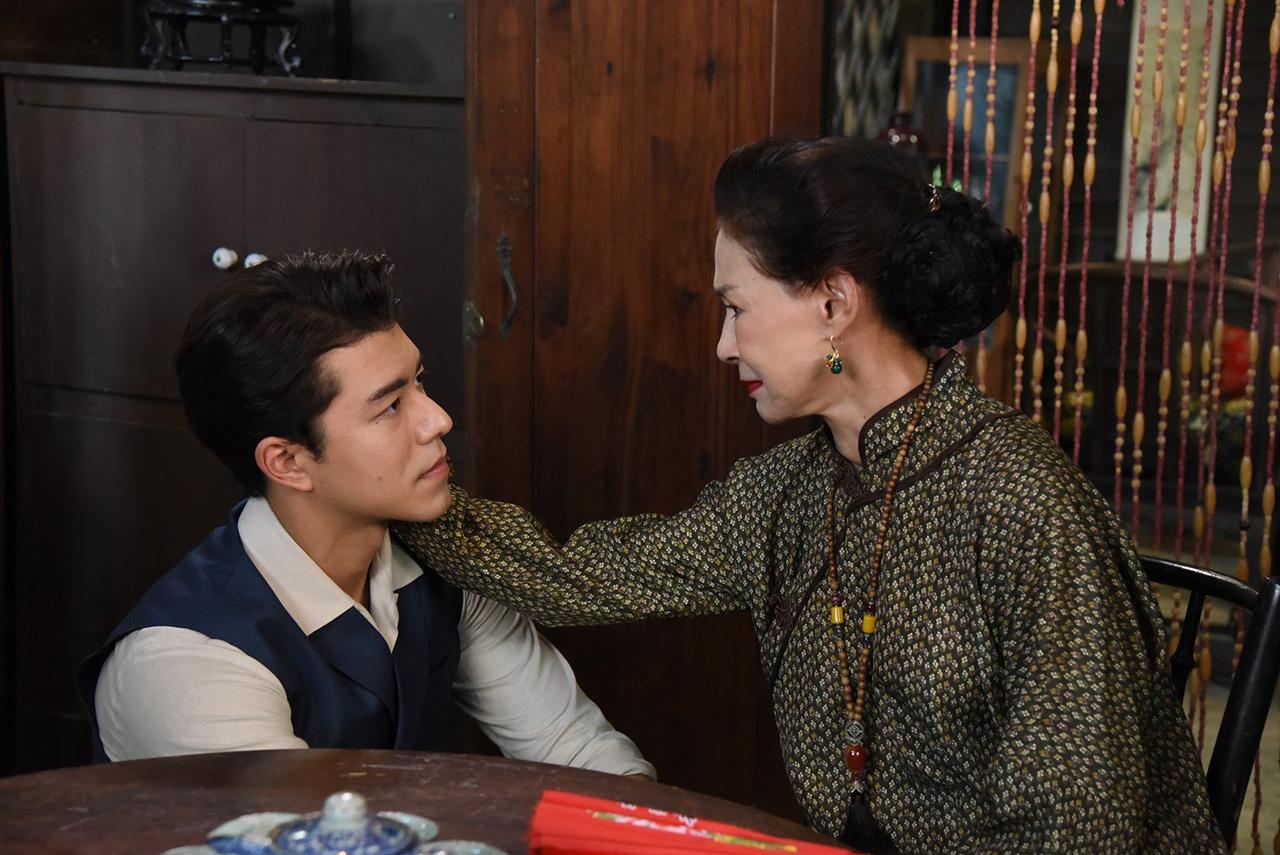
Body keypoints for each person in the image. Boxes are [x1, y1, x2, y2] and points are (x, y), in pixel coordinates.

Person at [392, 137, 1223, 852]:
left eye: (735, 308)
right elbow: (577, 576)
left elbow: (1078, 828)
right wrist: (403, 488)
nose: (724, 346)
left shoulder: (1023, 503)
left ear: (833, 302)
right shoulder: (787, 492)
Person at [76, 251, 654, 781]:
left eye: (419, 382)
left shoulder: (445, 561)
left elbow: (576, 749)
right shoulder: (186, 663)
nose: (438, 420)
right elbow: (310, 841)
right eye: (390, 406)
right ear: (287, 462)